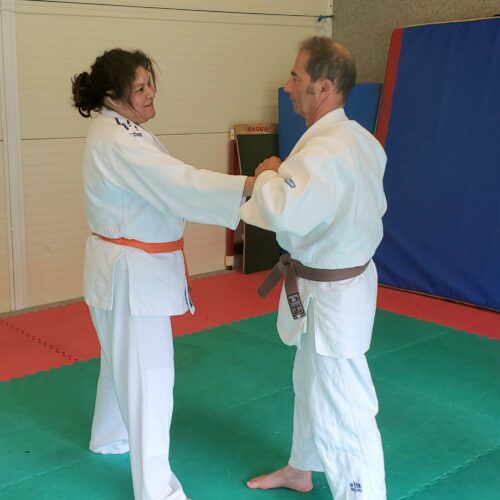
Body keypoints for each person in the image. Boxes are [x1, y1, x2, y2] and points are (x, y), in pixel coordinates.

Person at [71, 48, 253, 500]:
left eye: (150, 82)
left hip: (121, 269)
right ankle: (158, 491)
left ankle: (109, 436)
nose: (151, 93)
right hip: (131, 275)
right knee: (149, 381)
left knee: (120, 365)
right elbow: (179, 183)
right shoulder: (119, 140)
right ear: (112, 96)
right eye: (140, 88)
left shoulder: (118, 128)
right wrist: (249, 187)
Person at [240, 37, 387, 499]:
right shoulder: (359, 140)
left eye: (295, 77)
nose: (287, 86)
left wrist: (269, 171)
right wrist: (283, 172)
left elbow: (284, 212)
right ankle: (301, 468)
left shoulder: (323, 153)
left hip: (331, 295)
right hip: (334, 285)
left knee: (343, 402)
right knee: (308, 382)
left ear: (323, 87)